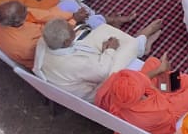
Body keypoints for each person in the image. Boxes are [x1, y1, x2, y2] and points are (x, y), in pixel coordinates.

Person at [35, 16, 163, 101]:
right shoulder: (74, 64)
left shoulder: (45, 40)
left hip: (74, 63)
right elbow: (103, 73)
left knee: (103, 31)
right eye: (72, 30)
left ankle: (140, 42)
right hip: (97, 87)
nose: (74, 28)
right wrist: (109, 50)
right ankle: (141, 41)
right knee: (128, 47)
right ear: (67, 41)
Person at [0, 0, 102, 70]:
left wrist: (71, 16)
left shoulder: (1, 16)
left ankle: (100, 20)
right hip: (51, 55)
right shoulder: (26, 46)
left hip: (50, 31)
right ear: (20, 21)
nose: (27, 9)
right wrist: (73, 21)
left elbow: (43, 15)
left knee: (70, 4)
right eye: (25, 10)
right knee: (88, 27)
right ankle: (104, 24)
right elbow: (55, 42)